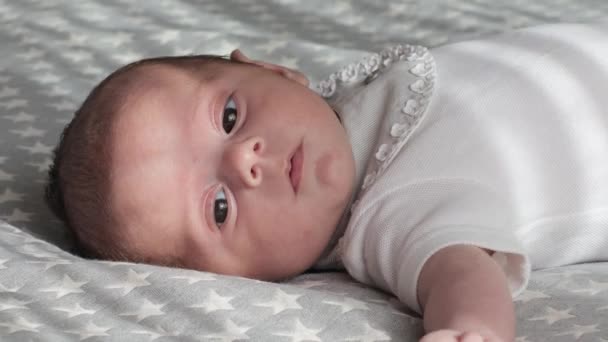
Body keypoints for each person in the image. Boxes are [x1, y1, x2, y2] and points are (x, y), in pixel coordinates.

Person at [45, 21, 608, 342]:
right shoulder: (389, 216)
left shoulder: (355, 98)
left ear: (270, 70)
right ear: (244, 279)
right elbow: (459, 271)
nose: (246, 161)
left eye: (230, 117)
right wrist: (467, 329)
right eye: (218, 208)